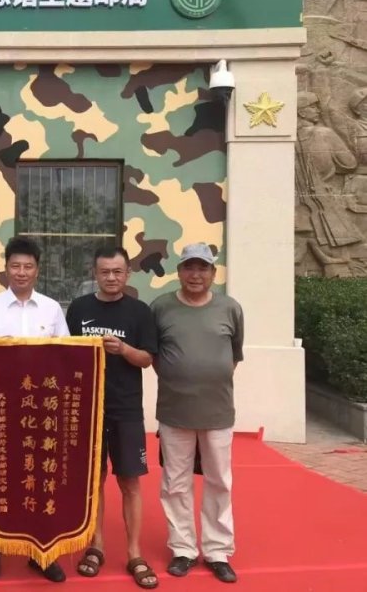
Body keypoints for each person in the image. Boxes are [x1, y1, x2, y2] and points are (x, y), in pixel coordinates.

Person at [0, 236, 70, 584]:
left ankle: (41, 553)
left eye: (28, 266)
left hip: (42, 409)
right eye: (16, 266)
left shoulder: (52, 309)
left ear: (37, 270)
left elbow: (66, 354)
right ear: (6, 269)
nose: (22, 272)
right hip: (0, 407)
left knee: (41, 478)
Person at [65, 246, 159, 589]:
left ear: (128, 274)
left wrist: (124, 349)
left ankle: (134, 552)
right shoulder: (79, 309)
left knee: (130, 482)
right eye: (104, 271)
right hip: (87, 408)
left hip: (126, 409)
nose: (111, 277)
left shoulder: (139, 311)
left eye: (117, 271)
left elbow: (147, 359)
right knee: (93, 481)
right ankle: (96, 545)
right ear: (95, 273)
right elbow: (64, 354)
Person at [151, 243, 244, 585]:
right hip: (174, 411)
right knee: (175, 483)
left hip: (218, 411)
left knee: (219, 481)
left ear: (213, 273)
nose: (195, 274)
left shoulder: (230, 308)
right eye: (189, 267)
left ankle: (218, 551)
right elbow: (154, 356)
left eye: (202, 268)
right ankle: (183, 548)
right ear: (179, 271)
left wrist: (208, 377)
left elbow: (234, 356)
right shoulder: (161, 308)